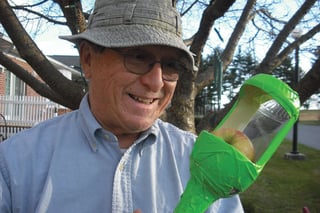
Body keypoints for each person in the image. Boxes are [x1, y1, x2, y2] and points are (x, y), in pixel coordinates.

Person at [0, 0, 244, 212]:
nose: (156, 81)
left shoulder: (201, 164)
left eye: (171, 65)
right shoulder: (14, 165)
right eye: (138, 57)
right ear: (88, 59)